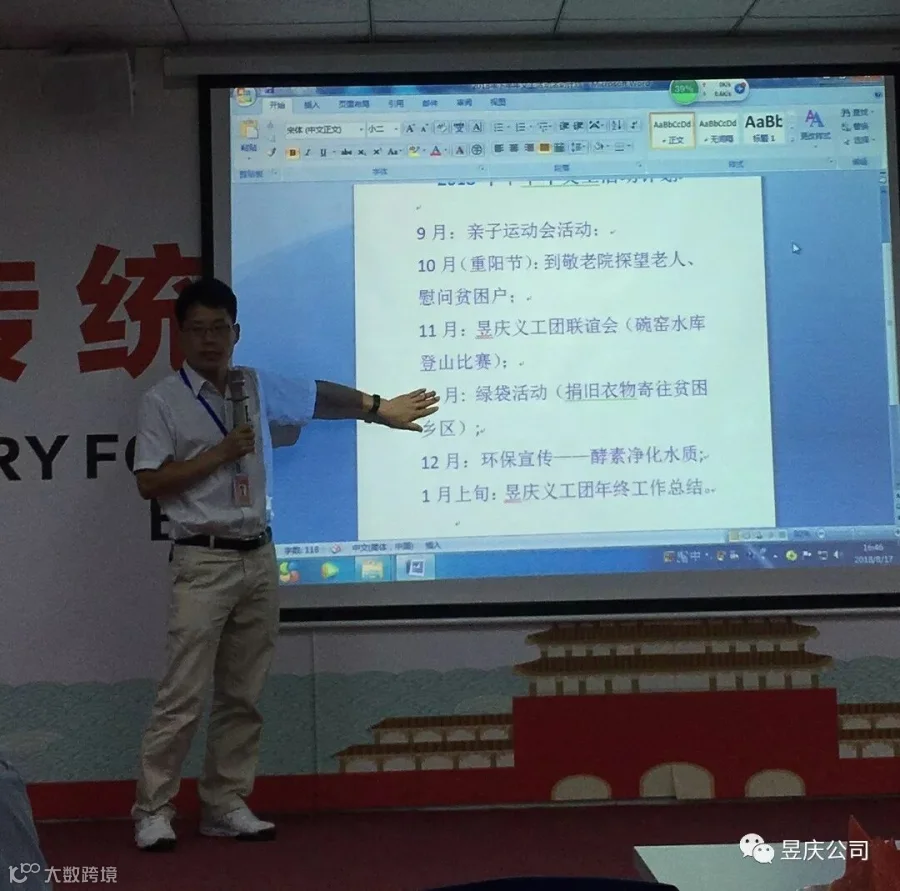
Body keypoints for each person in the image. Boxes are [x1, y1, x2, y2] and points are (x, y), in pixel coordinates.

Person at [130, 277, 438, 851]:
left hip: (259, 556)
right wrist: (219, 454)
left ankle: (224, 803)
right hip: (203, 559)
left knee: (243, 695)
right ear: (181, 336)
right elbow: (149, 481)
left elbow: (317, 396)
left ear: (236, 333)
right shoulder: (162, 401)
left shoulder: (252, 385)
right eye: (197, 330)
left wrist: (377, 409)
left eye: (219, 328)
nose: (209, 340)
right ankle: (153, 810)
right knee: (182, 695)